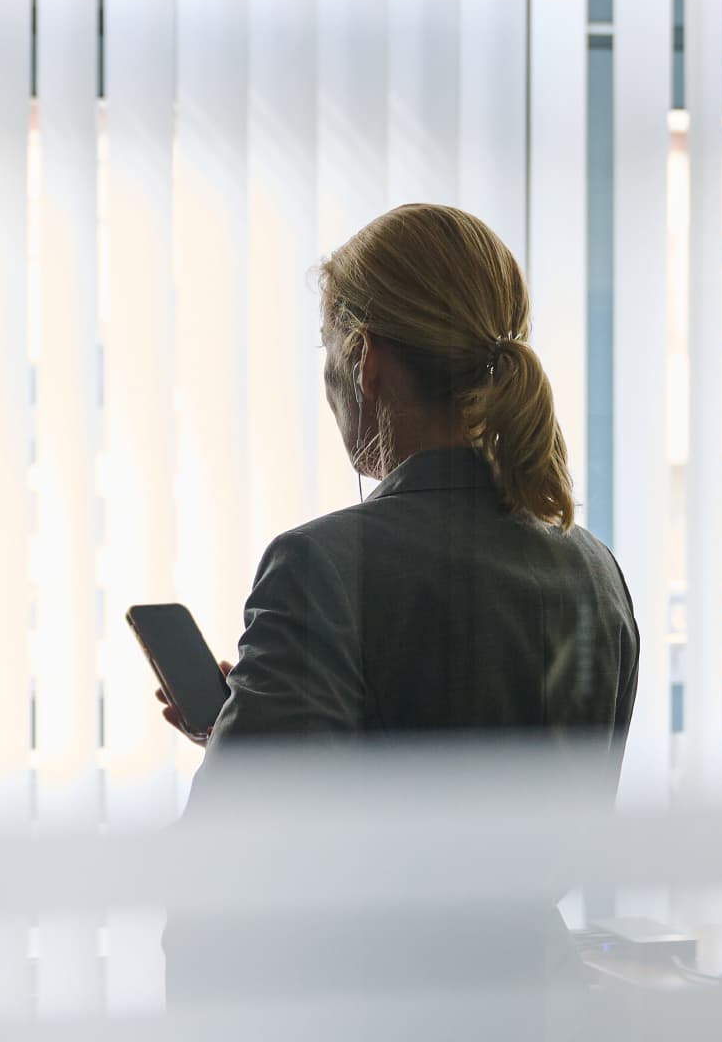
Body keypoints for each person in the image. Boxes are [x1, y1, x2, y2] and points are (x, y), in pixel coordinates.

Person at [158, 203, 640, 1035]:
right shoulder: (595, 572)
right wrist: (258, 726)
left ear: (364, 357)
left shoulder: (320, 567)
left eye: (326, 350)